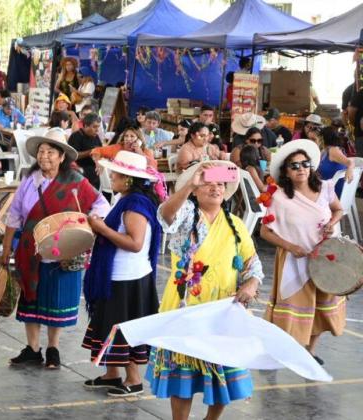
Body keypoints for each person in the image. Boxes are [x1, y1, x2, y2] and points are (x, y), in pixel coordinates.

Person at [152, 160, 262, 419]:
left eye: (220, 183)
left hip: (222, 310)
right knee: (183, 378)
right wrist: (190, 183)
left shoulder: (235, 224)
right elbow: (165, 215)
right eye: (208, 183)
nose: (215, 188)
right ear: (197, 189)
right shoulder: (187, 215)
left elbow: (252, 263)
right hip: (186, 307)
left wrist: (251, 283)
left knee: (223, 373)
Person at [3, 128, 110, 369]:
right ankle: (32, 348)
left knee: (55, 301)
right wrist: (6, 248)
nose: (44, 157)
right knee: (31, 300)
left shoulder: (76, 182)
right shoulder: (29, 182)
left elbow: (101, 205)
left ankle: (53, 348)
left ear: (62, 157)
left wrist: (87, 224)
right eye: (41, 152)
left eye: (51, 152)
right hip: (31, 251)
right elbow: (14, 216)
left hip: (63, 252)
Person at [82, 151, 164, 397]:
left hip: (128, 278)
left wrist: (101, 229)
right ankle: (112, 375)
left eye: (115, 173)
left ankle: (134, 379)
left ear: (127, 178)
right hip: (118, 276)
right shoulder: (125, 198)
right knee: (112, 326)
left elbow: (135, 243)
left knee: (125, 328)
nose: (111, 176)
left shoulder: (136, 205)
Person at [261, 139, 346, 366]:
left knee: (322, 309)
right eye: (294, 166)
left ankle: (309, 352)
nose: (301, 169)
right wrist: (290, 247)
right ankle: (279, 352)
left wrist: (332, 222)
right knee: (290, 313)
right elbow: (265, 232)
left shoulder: (326, 188)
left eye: (304, 164)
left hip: (326, 259)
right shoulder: (278, 198)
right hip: (295, 259)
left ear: (311, 167)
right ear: (286, 173)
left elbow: (338, 209)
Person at [91, 127, 157, 171]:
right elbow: (95, 150)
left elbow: (154, 167)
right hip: (120, 184)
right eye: (126, 136)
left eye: (132, 136)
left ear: (139, 139)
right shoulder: (117, 148)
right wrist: (98, 163)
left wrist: (140, 153)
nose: (128, 139)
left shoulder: (146, 151)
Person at [68, 113, 106, 188]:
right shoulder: (76, 136)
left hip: (94, 175)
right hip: (79, 173)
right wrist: (91, 151)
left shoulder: (95, 137)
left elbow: (100, 151)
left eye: (98, 127)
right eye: (94, 127)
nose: (97, 130)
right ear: (85, 126)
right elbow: (73, 155)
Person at [317, 127, 356, 198]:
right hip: (326, 189)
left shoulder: (333, 150)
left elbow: (350, 162)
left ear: (323, 138)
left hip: (332, 193)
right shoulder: (325, 150)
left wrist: (350, 170)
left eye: (319, 137)